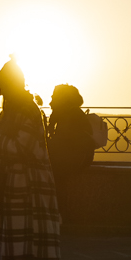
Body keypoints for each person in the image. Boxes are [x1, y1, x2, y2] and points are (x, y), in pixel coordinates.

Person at [0, 56, 61, 260]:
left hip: (28, 186)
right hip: (21, 184)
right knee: (30, 243)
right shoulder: (19, 110)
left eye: (2, 87)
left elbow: (21, 147)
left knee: (30, 243)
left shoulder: (26, 110)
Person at [46, 82, 99, 210]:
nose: (51, 101)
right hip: (76, 156)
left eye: (54, 97)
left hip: (76, 158)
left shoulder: (71, 114)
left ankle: (58, 211)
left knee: (53, 173)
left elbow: (64, 141)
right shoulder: (68, 113)